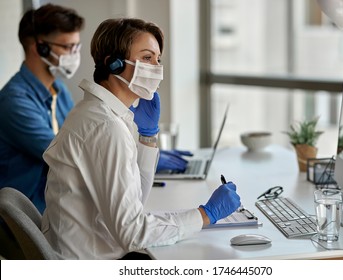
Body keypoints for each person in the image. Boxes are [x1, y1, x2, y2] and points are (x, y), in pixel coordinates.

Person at [41, 17, 241, 260]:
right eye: (147, 58)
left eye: (158, 59)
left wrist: (148, 137)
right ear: (113, 64)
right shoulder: (106, 127)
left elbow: (136, 200)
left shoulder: (99, 113)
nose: (156, 67)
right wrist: (205, 215)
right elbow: (132, 233)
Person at [0, 4, 85, 214]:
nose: (74, 55)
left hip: (57, 208)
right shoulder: (14, 101)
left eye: (77, 47)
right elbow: (66, 154)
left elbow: (82, 140)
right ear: (40, 48)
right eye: (67, 47)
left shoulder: (59, 91)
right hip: (25, 223)